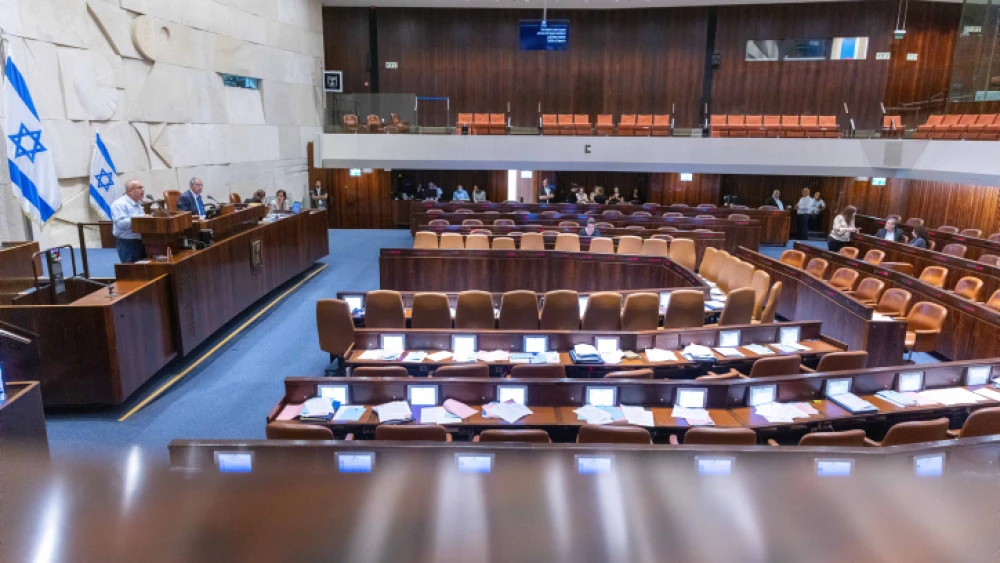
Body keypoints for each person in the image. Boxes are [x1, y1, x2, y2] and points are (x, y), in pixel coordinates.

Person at [111, 180, 146, 263]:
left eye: (142, 188)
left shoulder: (137, 203)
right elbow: (120, 224)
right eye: (139, 188)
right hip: (127, 243)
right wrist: (141, 217)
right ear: (130, 191)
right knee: (131, 272)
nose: (142, 190)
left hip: (141, 241)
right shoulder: (119, 204)